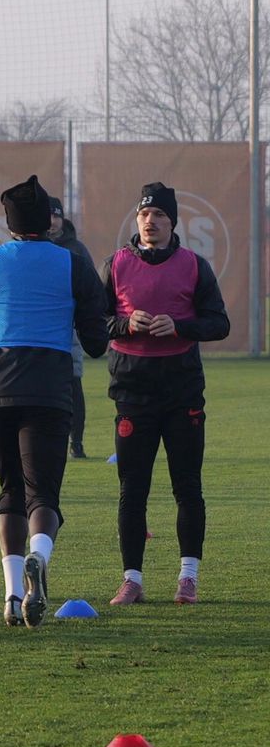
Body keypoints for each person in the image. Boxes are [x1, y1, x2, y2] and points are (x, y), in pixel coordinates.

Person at [0, 175, 107, 628]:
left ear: (8, 224)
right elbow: (97, 339)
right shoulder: (72, 262)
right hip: (48, 385)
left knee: (9, 491)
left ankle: (9, 595)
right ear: (49, 221)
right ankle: (39, 559)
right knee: (42, 493)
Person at [104, 182, 229, 607]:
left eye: (159, 215)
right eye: (144, 215)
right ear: (136, 220)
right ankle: (132, 580)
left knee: (187, 486)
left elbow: (219, 323)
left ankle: (188, 577)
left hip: (182, 391)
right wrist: (125, 324)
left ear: (172, 222)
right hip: (132, 392)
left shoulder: (194, 265)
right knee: (131, 490)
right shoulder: (116, 264)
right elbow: (93, 322)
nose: (150, 221)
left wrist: (180, 325)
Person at [48, 197, 94, 459]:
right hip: (42, 326)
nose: (52, 221)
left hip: (70, 325)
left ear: (62, 219)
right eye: (48, 216)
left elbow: (92, 289)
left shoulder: (76, 249)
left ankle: (76, 442)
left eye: (56, 216)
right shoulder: (33, 247)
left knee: (73, 381)